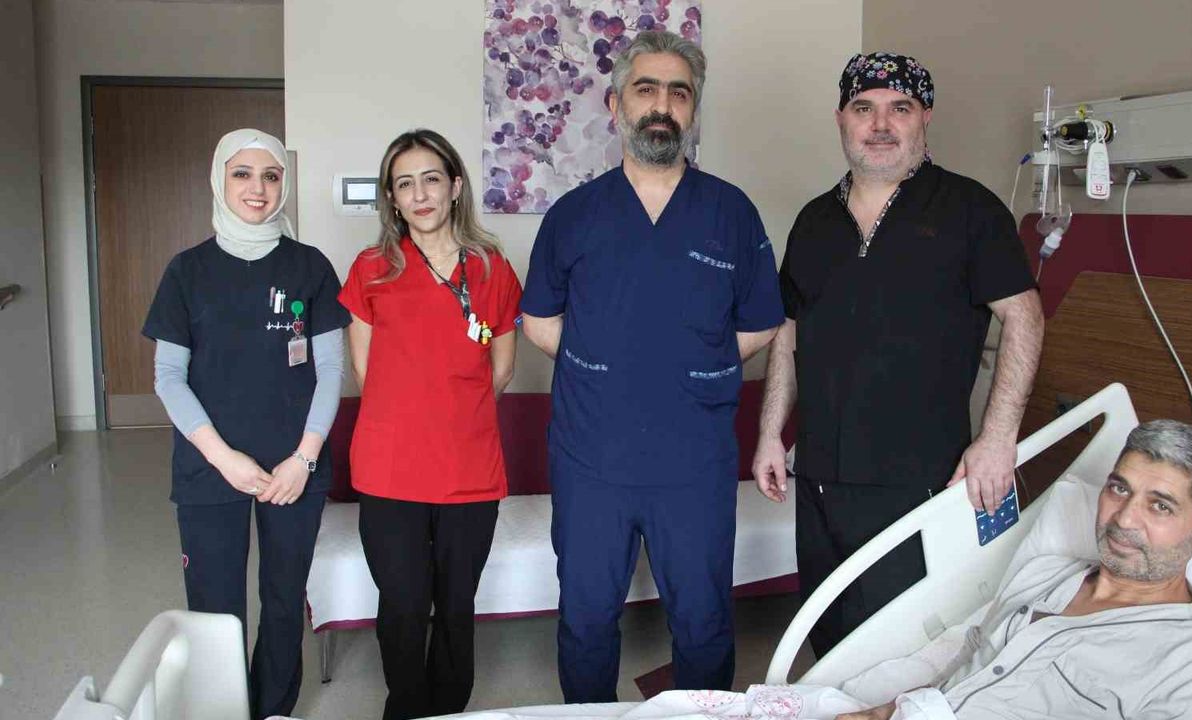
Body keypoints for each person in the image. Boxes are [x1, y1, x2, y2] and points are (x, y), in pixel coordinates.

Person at [521, 30, 785, 703]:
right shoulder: (574, 216)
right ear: (616, 105)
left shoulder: (730, 212)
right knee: (586, 622)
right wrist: (611, 360)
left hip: (694, 460)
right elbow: (540, 323)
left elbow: (762, 322)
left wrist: (689, 362)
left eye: (679, 93)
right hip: (591, 458)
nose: (662, 105)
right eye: (646, 89)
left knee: (703, 624)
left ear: (693, 110)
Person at [752, 51, 1045, 658]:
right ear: (841, 118)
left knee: (900, 651)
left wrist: (998, 439)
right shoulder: (814, 221)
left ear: (925, 117)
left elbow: (1024, 315)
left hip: (921, 480)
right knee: (829, 640)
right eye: (864, 108)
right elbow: (788, 329)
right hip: (821, 478)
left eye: (899, 108)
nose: (880, 124)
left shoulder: (969, 210)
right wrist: (770, 434)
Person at [838, 419, 1192, 719]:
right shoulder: (1044, 574)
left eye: (1160, 505)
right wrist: (889, 709)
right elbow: (967, 667)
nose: (1124, 518)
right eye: (1119, 488)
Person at [142, 128, 349, 719]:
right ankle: (223, 709)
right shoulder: (187, 272)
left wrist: (304, 458)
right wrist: (223, 458)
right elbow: (169, 378)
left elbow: (331, 371)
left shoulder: (310, 267)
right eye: (242, 173)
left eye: (271, 175)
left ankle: (272, 708)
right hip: (210, 469)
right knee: (214, 608)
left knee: (283, 601)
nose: (257, 188)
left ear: (284, 185)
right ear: (219, 180)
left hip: (293, 469)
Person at [340, 129, 522, 720]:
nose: (419, 195)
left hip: (469, 468)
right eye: (404, 184)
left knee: (456, 604)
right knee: (403, 604)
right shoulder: (371, 269)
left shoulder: (492, 269)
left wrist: (451, 412)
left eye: (431, 179)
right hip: (389, 467)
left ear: (456, 186)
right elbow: (365, 373)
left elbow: (501, 370)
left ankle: (447, 709)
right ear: (392, 199)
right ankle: (406, 707)